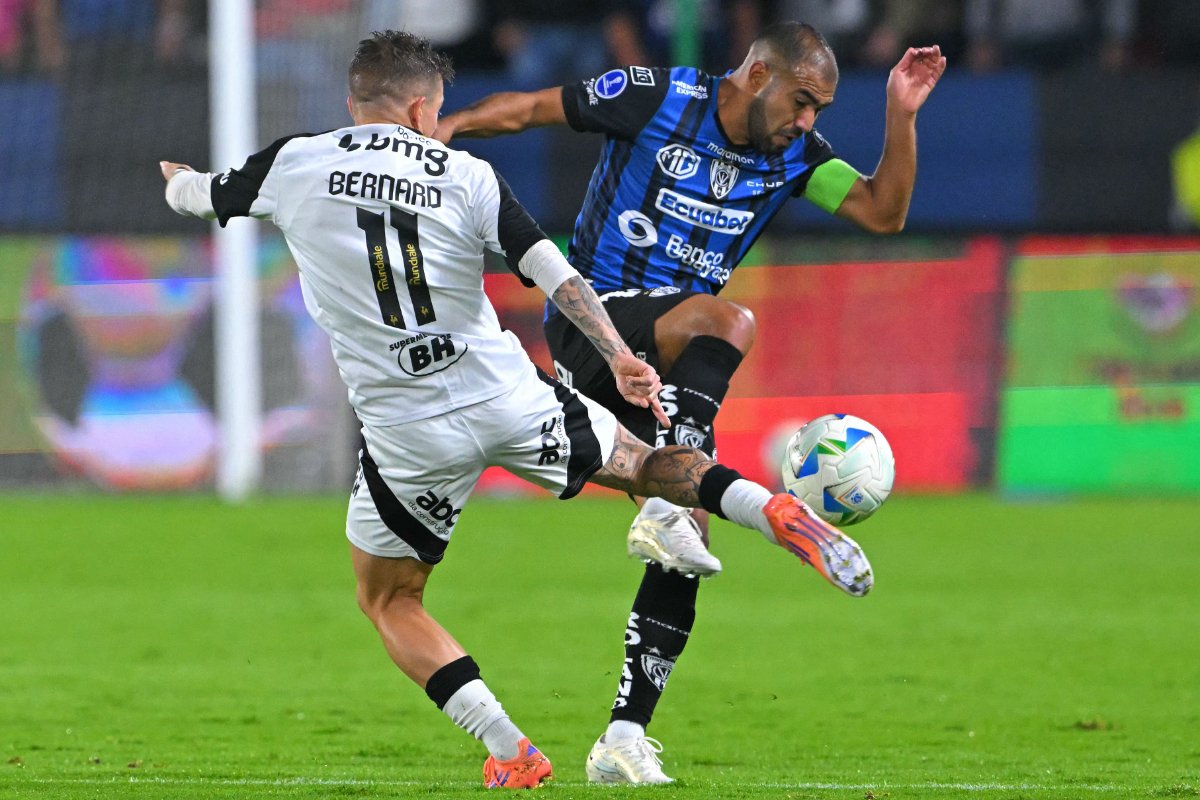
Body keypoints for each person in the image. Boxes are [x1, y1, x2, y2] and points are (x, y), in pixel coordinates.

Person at [159, 29, 872, 789]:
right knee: (653, 471)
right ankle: (770, 512)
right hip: (506, 394)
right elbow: (552, 271)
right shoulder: (466, 175)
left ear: (353, 104)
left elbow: (198, 195)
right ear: (424, 106)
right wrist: (619, 353)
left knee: (390, 598)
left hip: (404, 429)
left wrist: (175, 178)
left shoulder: (295, 162)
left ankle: (511, 748)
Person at [435, 21, 944, 784]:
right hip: (593, 325)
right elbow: (529, 109)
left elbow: (883, 212)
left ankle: (622, 738)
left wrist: (901, 114)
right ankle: (669, 507)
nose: (809, 122)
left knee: (689, 532)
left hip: (665, 356)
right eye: (802, 101)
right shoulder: (657, 97)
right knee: (728, 319)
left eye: (820, 110)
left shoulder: (796, 158)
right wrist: (441, 134)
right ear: (758, 73)